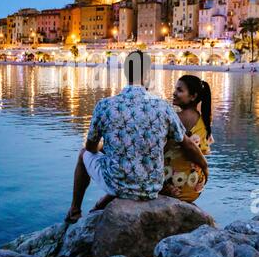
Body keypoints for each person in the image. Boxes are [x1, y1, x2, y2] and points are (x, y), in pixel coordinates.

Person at [65, 51, 208, 223]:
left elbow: (90, 148)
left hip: (117, 186)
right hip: (152, 187)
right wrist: (204, 167)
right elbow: (188, 145)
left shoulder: (104, 105)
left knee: (83, 154)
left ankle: (74, 211)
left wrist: (110, 146)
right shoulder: (163, 107)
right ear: (148, 74)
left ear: (126, 73)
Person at [160, 75, 214, 203]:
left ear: (193, 96)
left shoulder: (174, 118)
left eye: (180, 90)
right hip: (194, 187)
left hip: (172, 186)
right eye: (175, 89)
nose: (174, 93)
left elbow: (160, 149)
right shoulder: (204, 120)